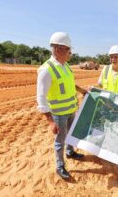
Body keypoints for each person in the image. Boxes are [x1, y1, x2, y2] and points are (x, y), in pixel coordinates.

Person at [36, 31, 85, 180]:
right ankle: (60, 166)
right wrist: (50, 121)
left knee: (70, 135)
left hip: (71, 110)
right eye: (69, 50)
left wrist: (82, 90)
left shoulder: (66, 66)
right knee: (59, 141)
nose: (71, 53)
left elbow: (70, 83)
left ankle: (70, 152)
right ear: (58, 49)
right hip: (58, 115)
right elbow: (41, 97)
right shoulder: (46, 70)